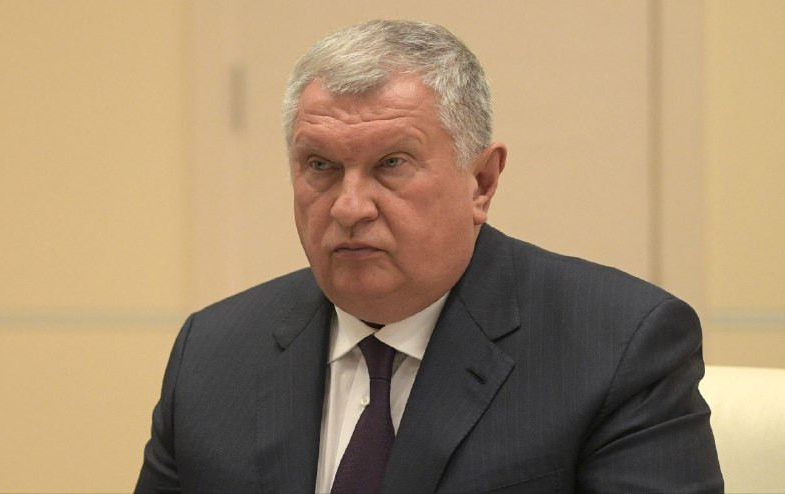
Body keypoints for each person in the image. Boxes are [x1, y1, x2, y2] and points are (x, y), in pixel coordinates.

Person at [136, 20, 723, 493]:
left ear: (482, 182)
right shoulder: (212, 354)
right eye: (321, 166)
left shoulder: (618, 346)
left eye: (391, 164)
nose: (349, 206)